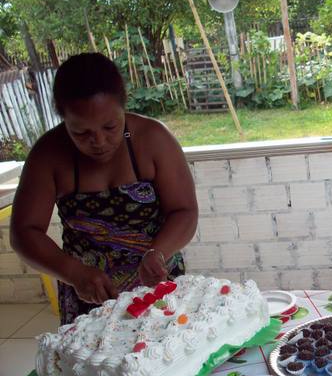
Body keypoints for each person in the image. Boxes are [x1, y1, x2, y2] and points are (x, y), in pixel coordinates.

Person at [10, 53, 198, 325]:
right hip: (88, 293)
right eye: (81, 133)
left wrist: (157, 253)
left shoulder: (153, 139)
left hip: (157, 286)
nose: (99, 141)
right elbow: (24, 232)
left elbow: (184, 210)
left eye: (110, 126)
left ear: (123, 106)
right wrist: (73, 272)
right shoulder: (48, 154)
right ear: (63, 119)